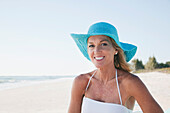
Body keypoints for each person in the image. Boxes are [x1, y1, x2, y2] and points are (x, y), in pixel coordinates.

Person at [68, 22, 164, 113]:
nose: (96, 50)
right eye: (91, 45)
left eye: (103, 44)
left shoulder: (130, 83)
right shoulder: (81, 82)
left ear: (116, 50)